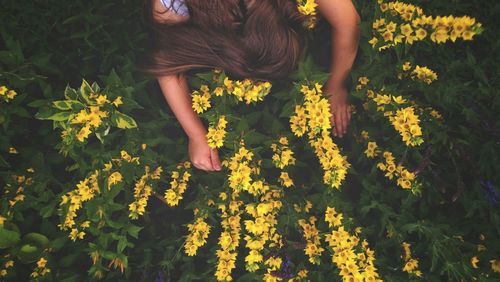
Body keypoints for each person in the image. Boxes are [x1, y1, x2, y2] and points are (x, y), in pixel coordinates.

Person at [142, 0, 360, 172]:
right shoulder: (171, 5)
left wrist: (336, 84)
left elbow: (348, 22)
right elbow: (168, 58)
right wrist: (195, 133)